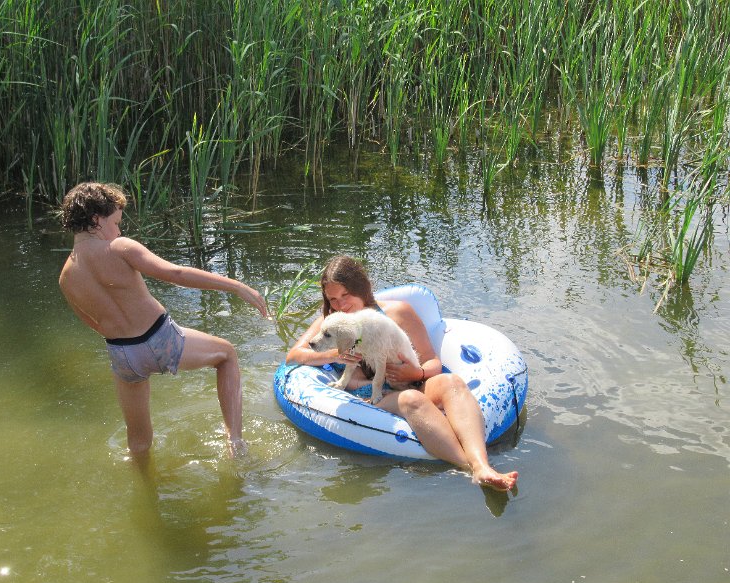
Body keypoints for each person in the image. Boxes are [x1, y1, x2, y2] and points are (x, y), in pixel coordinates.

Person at [58, 182, 269, 458]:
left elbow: (92, 323)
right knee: (227, 354)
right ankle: (236, 443)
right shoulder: (119, 247)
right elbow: (176, 274)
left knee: (138, 443)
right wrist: (236, 286)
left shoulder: (66, 277)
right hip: (161, 339)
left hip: (123, 354)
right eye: (116, 223)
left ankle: (145, 481)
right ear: (97, 219)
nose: (119, 231)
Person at [286, 256, 519, 491]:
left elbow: (432, 361)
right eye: (333, 299)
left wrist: (415, 373)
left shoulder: (398, 313)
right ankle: (472, 469)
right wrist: (336, 355)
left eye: (346, 295)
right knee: (411, 399)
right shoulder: (331, 323)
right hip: (370, 397)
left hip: (409, 382)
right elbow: (293, 355)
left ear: (361, 288)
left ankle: (482, 465)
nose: (341, 305)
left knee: (452, 382)